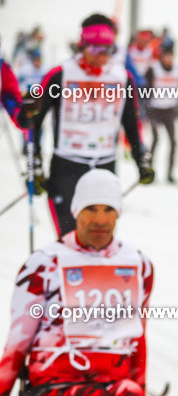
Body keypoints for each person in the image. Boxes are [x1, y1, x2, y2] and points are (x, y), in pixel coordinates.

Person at [0, 169, 173, 396]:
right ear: (76, 212)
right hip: (50, 392)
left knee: (126, 391)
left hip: (111, 381)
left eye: (108, 209)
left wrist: (137, 394)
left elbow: (137, 341)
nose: (99, 219)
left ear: (119, 213)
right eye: (90, 209)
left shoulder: (137, 265)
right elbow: (16, 345)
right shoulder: (44, 264)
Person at [21, 13, 153, 236]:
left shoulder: (121, 77)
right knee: (70, 240)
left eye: (108, 50)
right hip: (67, 165)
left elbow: (131, 123)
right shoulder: (60, 75)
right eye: (96, 49)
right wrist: (34, 162)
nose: (102, 56)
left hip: (105, 165)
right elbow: (33, 123)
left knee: (100, 239)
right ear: (83, 45)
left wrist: (142, 158)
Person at [145, 39, 178, 183]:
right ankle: (149, 171)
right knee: (155, 139)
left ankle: (170, 174)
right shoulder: (153, 69)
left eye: (171, 56)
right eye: (167, 56)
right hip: (155, 110)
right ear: (161, 56)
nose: (169, 59)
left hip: (169, 111)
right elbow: (144, 87)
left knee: (173, 142)